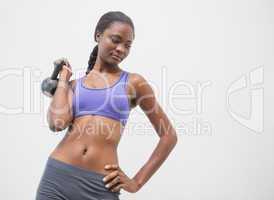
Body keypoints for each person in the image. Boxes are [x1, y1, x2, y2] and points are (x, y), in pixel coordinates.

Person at [35, 11, 177, 200]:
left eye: (127, 46)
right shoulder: (74, 85)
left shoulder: (134, 83)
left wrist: (137, 182)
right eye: (116, 40)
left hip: (100, 186)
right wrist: (63, 80)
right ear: (98, 35)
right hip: (57, 180)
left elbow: (169, 136)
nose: (121, 49)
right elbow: (57, 123)